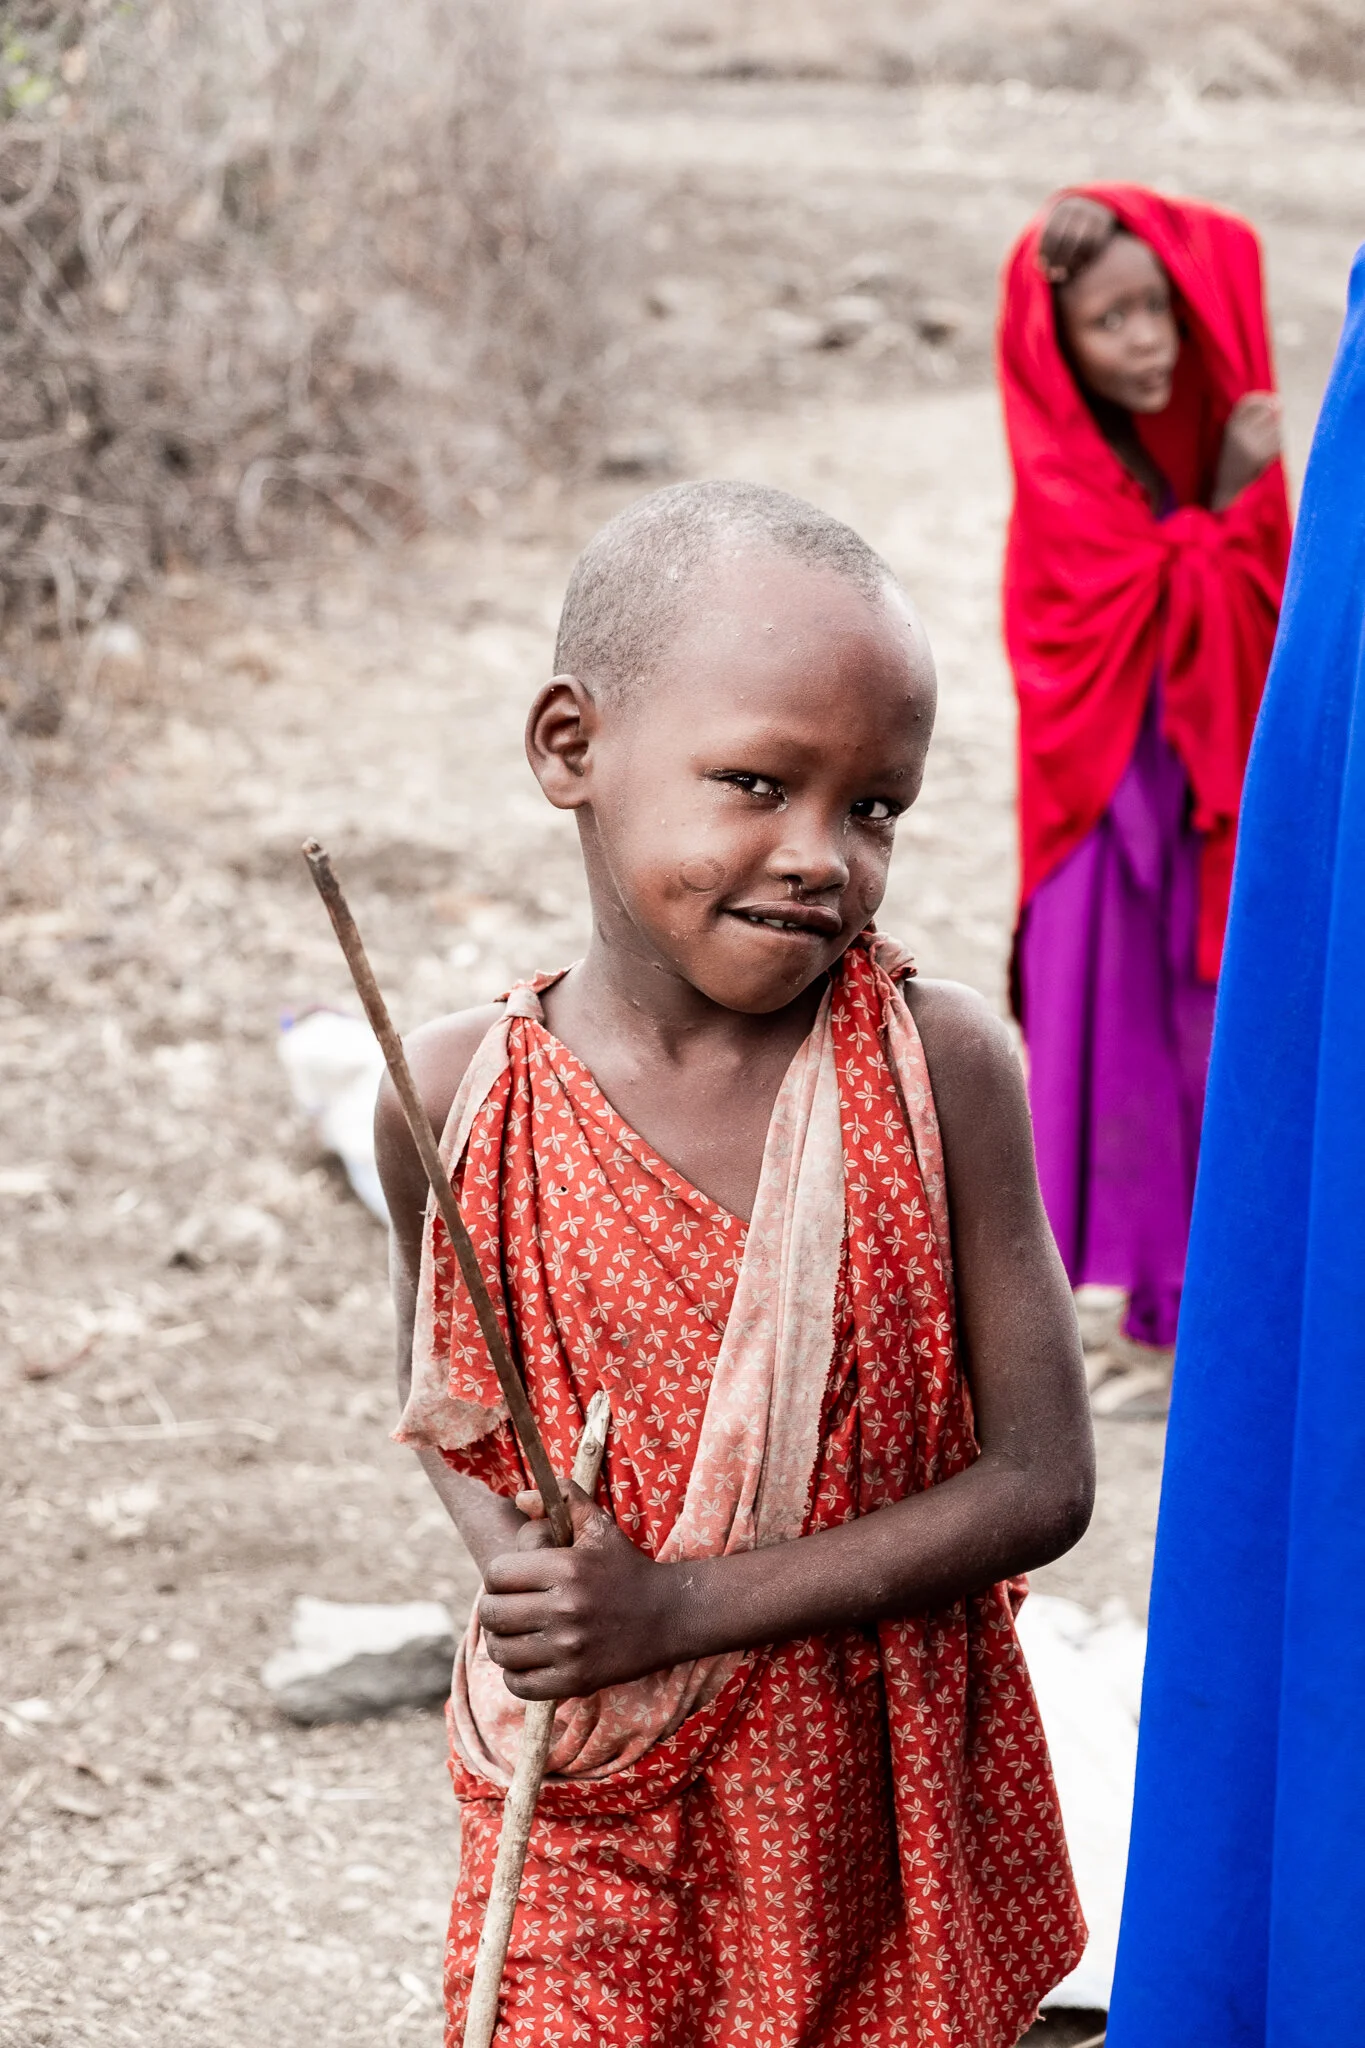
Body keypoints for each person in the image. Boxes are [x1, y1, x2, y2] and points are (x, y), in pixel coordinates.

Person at [377, 481, 1094, 2048]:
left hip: (875, 1799)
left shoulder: (934, 1069)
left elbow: (1041, 1482)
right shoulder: (456, 1100)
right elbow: (449, 1396)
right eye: (758, 783)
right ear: (570, 747)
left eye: (874, 809)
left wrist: (676, 1608)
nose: (820, 856)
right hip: (595, 1789)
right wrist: (533, 1580)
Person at [998, 187, 1292, 1352]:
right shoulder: (1064, 471)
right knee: (1116, 1016)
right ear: (1055, 344)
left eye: (1158, 307)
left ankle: (1201, 1290)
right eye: (1107, 321)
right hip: (1106, 786)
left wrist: (1103, 210)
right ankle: (1134, 1283)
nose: (1147, 341)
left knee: (1205, 1013)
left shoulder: (1207, 425)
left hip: (1203, 779)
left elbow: (1233, 240)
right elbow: (1112, 609)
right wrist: (1220, 499)